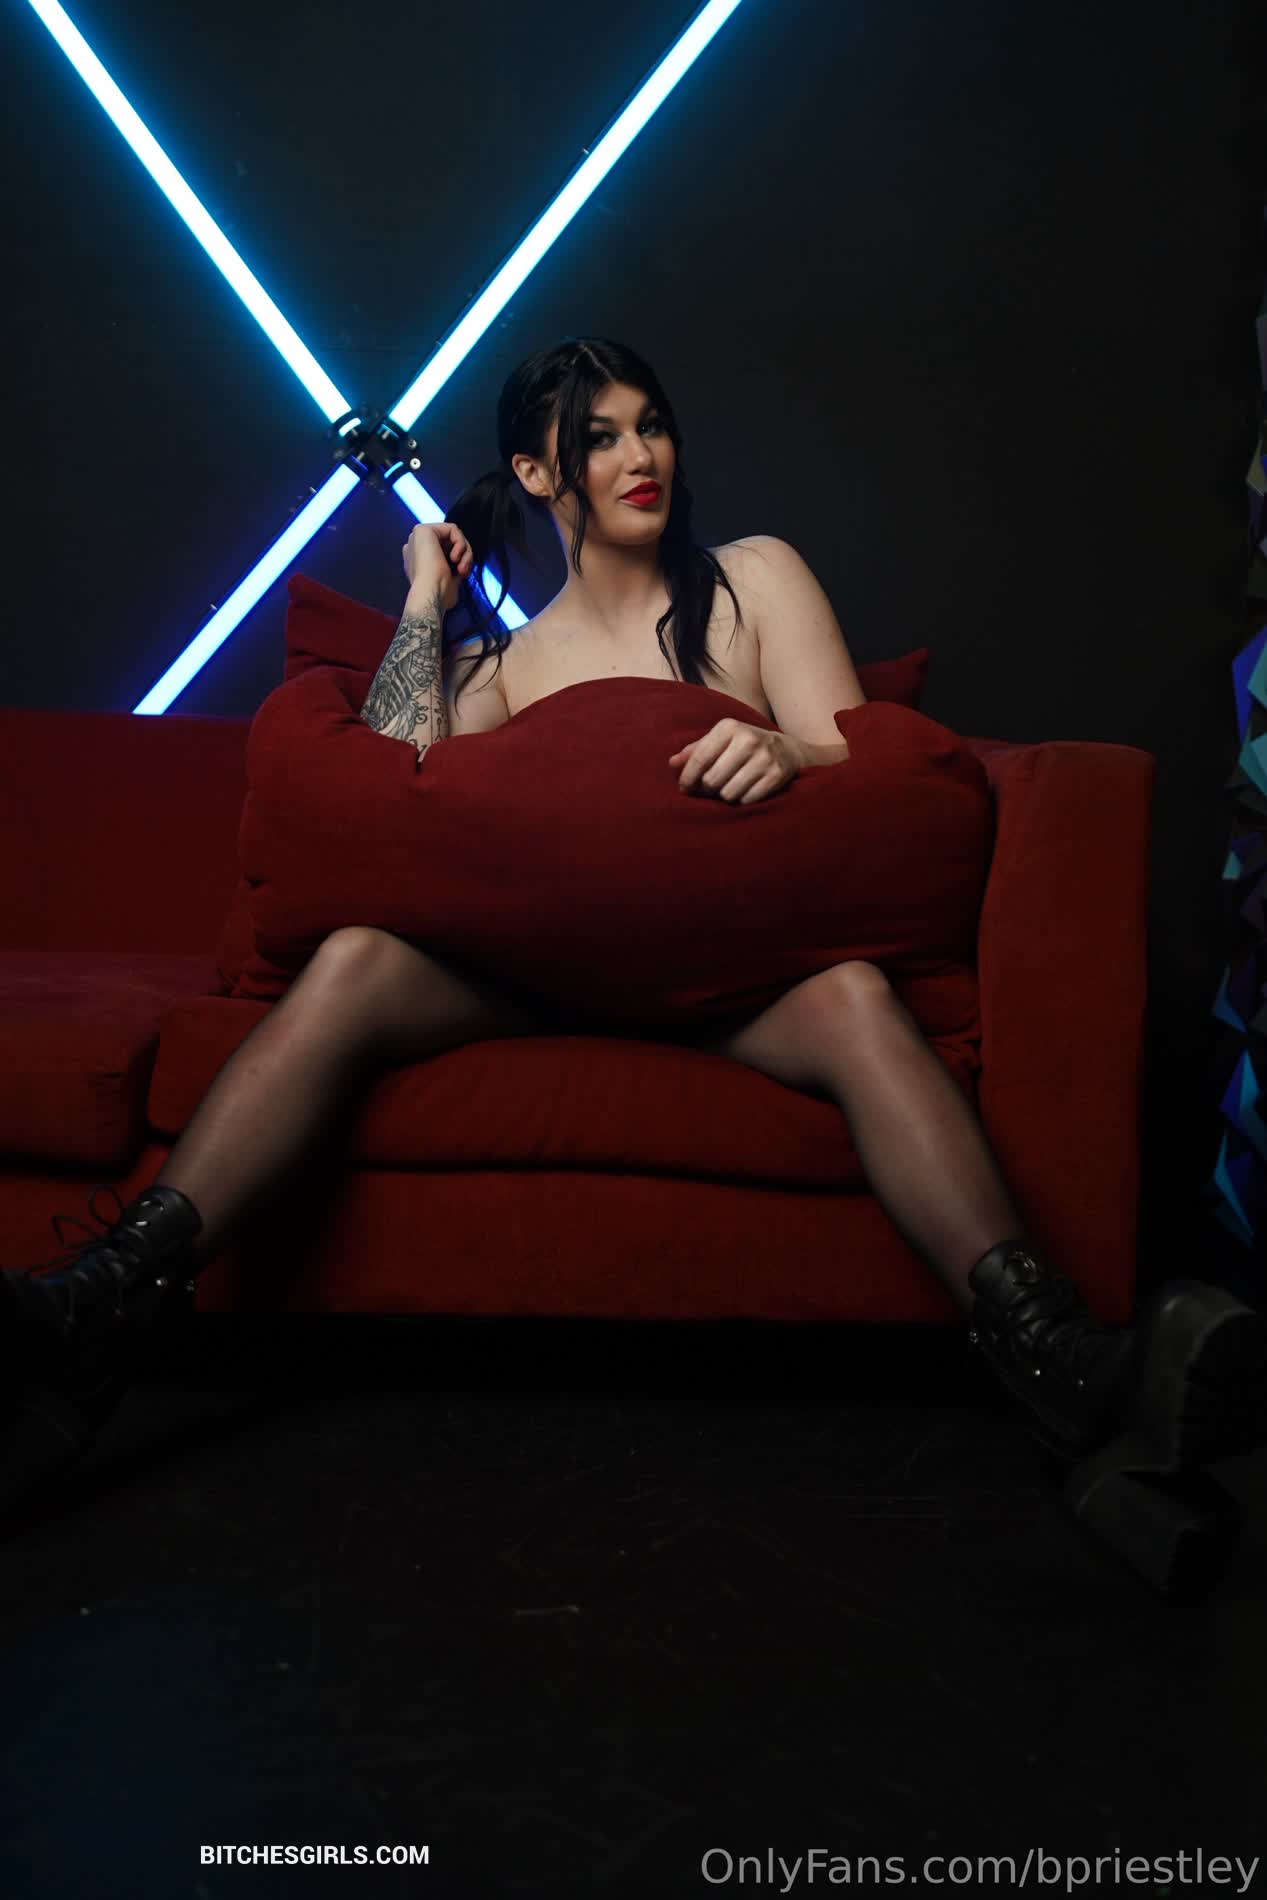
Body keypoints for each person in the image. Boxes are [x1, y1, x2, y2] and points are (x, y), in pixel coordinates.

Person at [2, 336, 1263, 1576]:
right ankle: (102, 1304)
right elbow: (383, 783)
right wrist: (426, 600)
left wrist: (792, 751)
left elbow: (871, 764)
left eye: (649, 424)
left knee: (852, 994)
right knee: (358, 959)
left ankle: (1056, 1356)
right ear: (536, 474)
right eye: (597, 438)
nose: (638, 454)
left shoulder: (754, 581)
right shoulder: (505, 663)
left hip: (730, 977)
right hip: (532, 979)